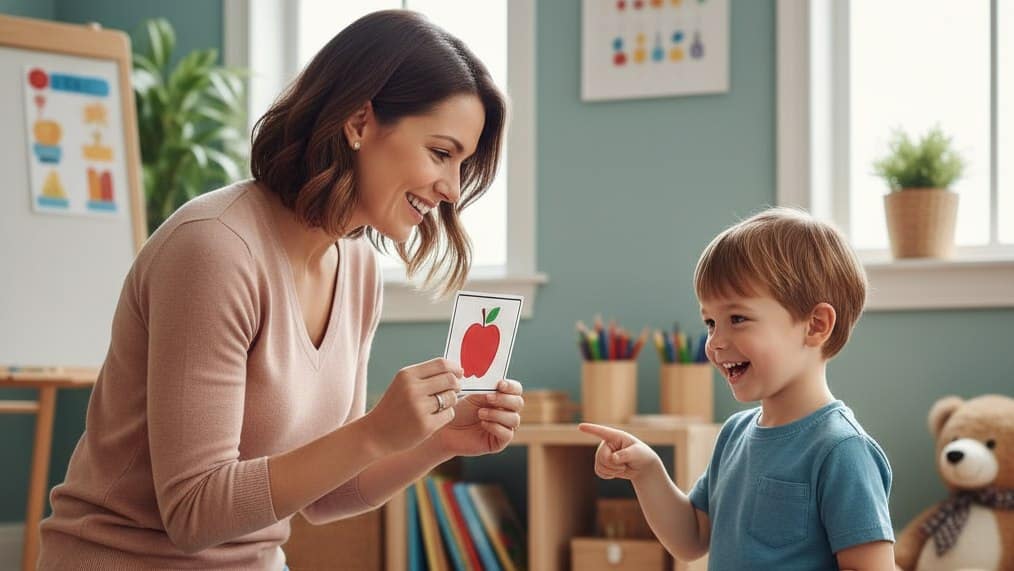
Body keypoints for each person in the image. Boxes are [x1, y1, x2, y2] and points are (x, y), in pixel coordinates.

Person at [39, 10, 523, 570]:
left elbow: (325, 493)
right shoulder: (215, 250)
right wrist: (373, 431)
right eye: (441, 153)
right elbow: (193, 512)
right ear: (360, 122)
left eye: (463, 164)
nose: (451, 189)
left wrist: (439, 441)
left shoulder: (358, 270)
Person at [580, 208, 895, 570]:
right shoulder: (734, 434)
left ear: (815, 326)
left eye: (738, 319)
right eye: (711, 322)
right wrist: (647, 471)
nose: (714, 342)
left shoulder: (842, 450)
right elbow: (692, 539)